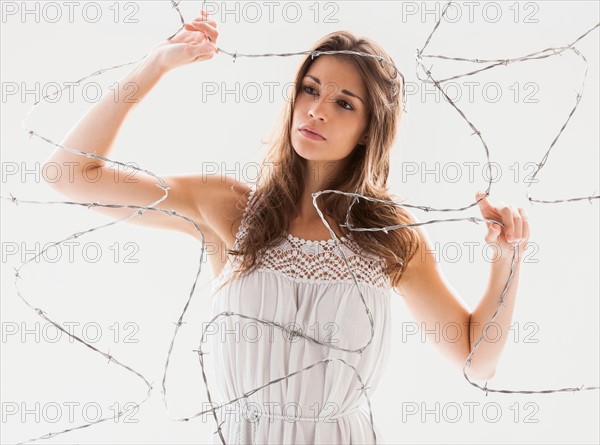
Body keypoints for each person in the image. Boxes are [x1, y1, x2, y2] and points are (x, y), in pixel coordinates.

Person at [42, 8, 531, 444]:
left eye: (345, 103)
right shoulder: (227, 207)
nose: (317, 108)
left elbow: (477, 360)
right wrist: (155, 66)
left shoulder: (390, 237)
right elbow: (69, 175)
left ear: (369, 132)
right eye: (311, 89)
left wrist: (506, 259)